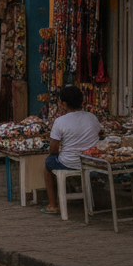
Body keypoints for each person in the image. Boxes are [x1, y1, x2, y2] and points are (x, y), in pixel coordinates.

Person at [40, 85, 102, 217]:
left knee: (48, 164)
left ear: (63, 104)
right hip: (89, 162)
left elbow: (53, 149)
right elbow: (100, 134)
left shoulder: (60, 121)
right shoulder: (92, 118)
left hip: (69, 162)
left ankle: (52, 205)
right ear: (82, 102)